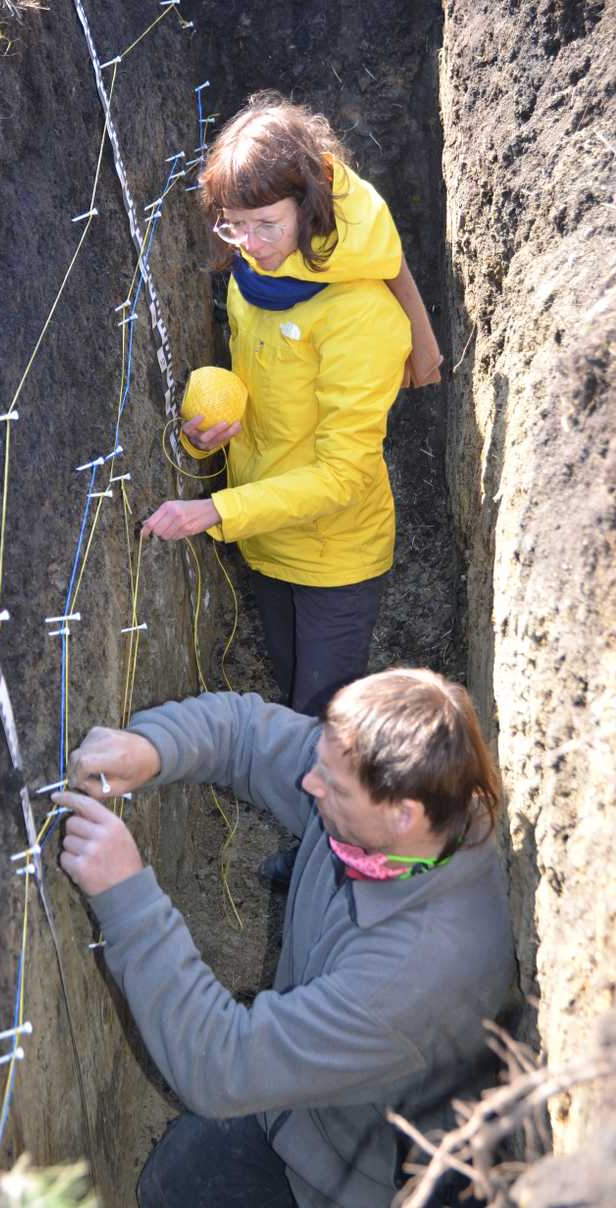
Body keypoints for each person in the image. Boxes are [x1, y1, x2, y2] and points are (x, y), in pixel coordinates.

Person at [52, 669, 514, 1207]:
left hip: (349, 1180)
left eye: (332, 785)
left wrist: (126, 896)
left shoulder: (411, 977)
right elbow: (247, 733)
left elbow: (221, 1066)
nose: (310, 782)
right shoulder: (402, 806)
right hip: (309, 1111)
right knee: (173, 1177)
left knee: (182, 1185)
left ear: (402, 815)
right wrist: (154, 747)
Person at [143, 92, 442, 719]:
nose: (247, 243)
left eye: (265, 225)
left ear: (310, 209)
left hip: (335, 550)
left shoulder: (360, 316)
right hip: (266, 530)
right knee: (288, 680)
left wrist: (215, 510)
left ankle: (331, 819)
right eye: (232, 224)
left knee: (321, 717)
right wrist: (208, 435)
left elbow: (343, 475)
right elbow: (260, 393)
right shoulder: (259, 273)